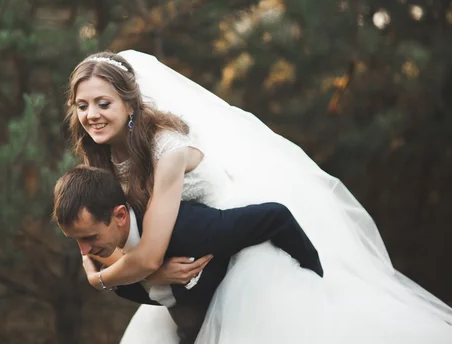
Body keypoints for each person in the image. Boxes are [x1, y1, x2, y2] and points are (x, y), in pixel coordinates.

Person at [65, 50, 452, 343]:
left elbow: (139, 256)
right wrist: (146, 273)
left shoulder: (166, 146)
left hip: (241, 243)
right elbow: (101, 247)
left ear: (130, 104)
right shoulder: (103, 161)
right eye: (83, 106)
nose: (92, 115)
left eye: (104, 103)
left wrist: (109, 278)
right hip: (184, 260)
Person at [53, 165, 323, 343]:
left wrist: (315, 284)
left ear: (120, 216)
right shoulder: (106, 256)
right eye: (76, 240)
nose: (84, 251)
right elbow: (130, 277)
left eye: (89, 237)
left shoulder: (188, 230)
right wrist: (152, 275)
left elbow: (277, 216)